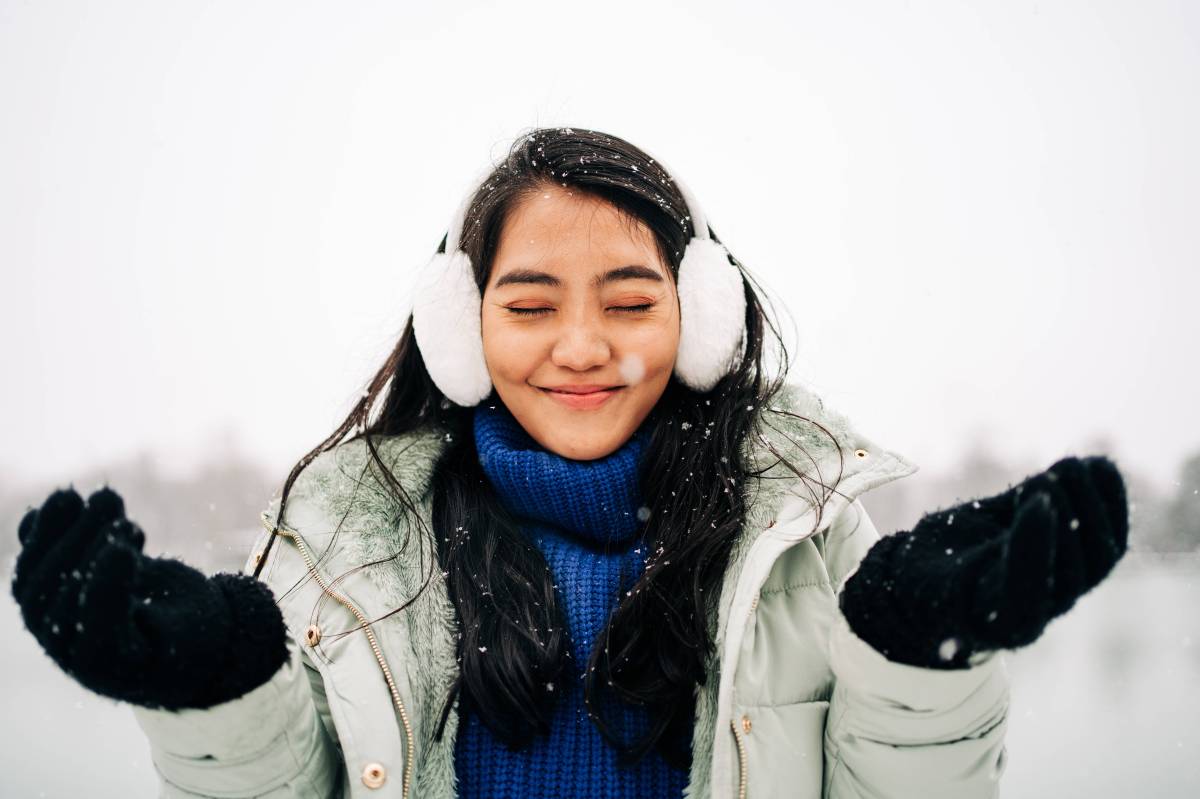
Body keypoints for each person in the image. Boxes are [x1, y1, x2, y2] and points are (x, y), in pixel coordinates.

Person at [11, 126, 1129, 799]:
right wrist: (219, 696)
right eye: (530, 303)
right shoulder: (352, 545)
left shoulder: (803, 539)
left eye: (632, 302)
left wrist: (914, 668)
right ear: (462, 331)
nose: (583, 346)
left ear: (700, 322)